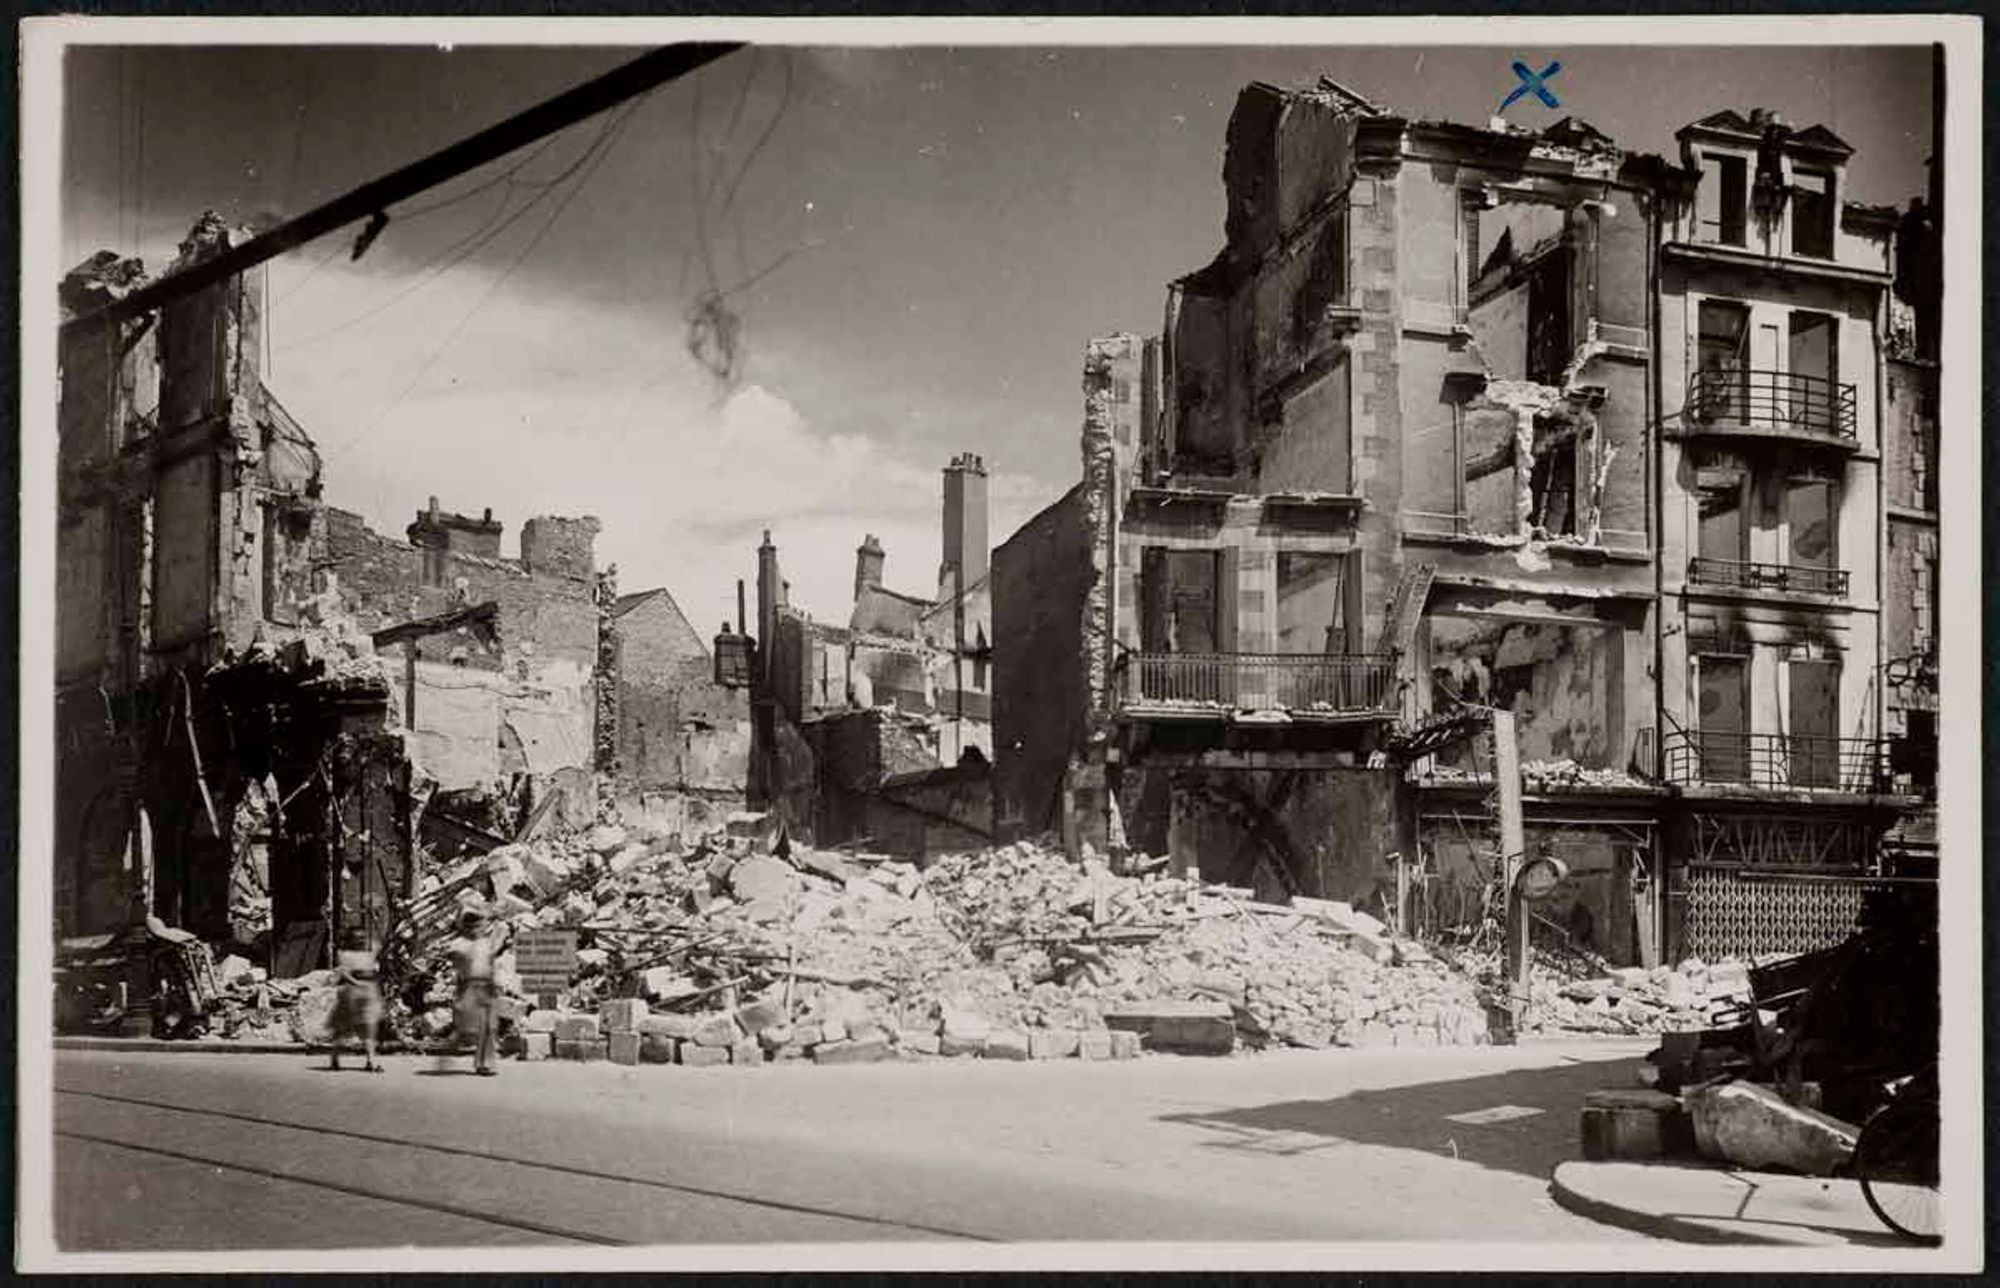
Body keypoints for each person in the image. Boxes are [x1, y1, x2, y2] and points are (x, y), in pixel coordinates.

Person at [327, 927, 384, 1072]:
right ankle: (334, 1058)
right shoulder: (345, 954)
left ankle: (371, 1061)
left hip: (369, 992)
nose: (361, 940)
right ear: (350, 939)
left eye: (363, 937)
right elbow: (343, 973)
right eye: (357, 937)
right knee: (342, 1028)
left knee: (369, 1027)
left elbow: (378, 944)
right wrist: (357, 983)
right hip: (352, 993)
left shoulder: (369, 954)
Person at [449, 911, 499, 1076]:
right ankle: (479, 1059)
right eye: (477, 926)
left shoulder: (486, 943)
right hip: (470, 985)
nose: (480, 929)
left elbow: (491, 964)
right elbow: (458, 966)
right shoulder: (459, 944)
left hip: (486, 984)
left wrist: (494, 982)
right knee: (475, 1026)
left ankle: (484, 1063)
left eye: (481, 926)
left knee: (489, 1026)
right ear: (468, 927)